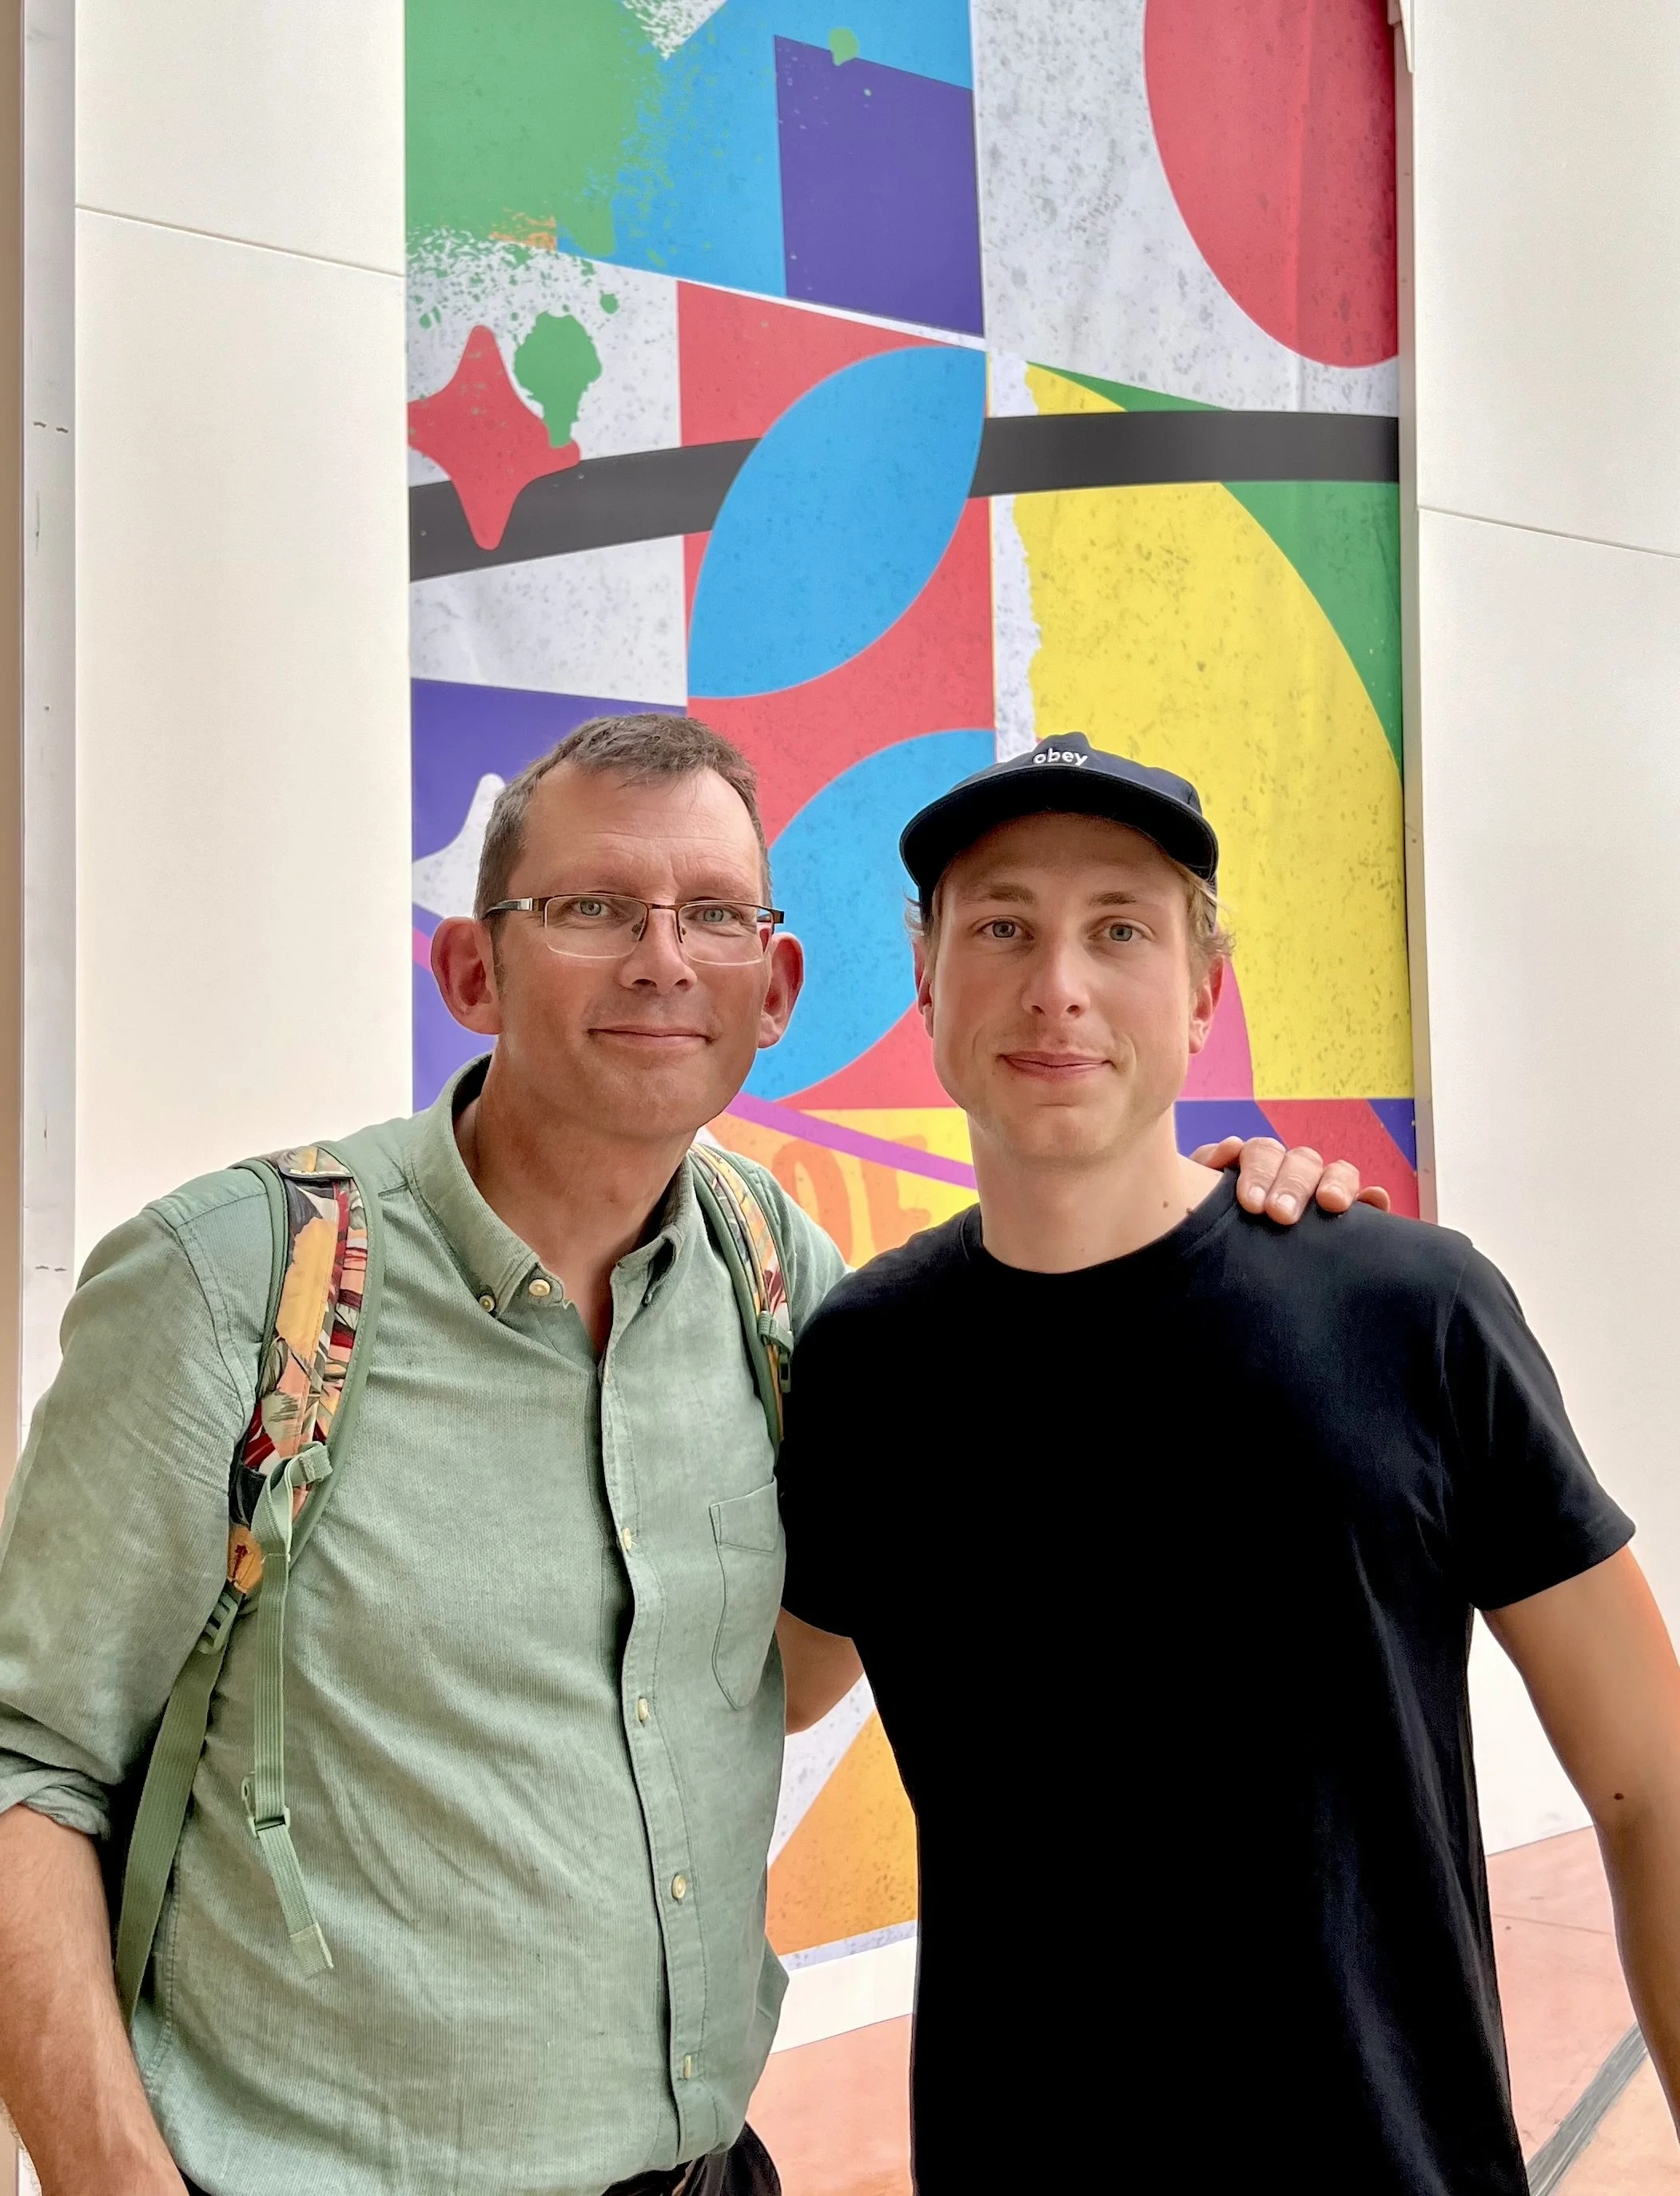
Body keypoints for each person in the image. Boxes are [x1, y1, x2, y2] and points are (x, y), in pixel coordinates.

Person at [0, 715, 1360, 2196]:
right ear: (472, 971)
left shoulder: (784, 1286)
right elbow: (27, 1767)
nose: (662, 958)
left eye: (713, 914)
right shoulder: (239, 1284)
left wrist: (1213, 1220)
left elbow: (793, 1660)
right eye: (590, 910)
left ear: (771, 989)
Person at [774, 732, 1680, 2195]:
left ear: (1202, 991)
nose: (1055, 983)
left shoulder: (1407, 1308)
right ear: (924, 978)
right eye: (1000, 925)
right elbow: (767, 1677)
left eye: (1117, 930)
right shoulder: (867, 1360)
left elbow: (1653, 1781)